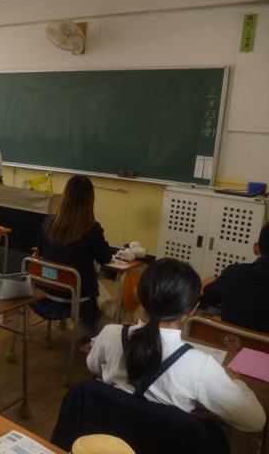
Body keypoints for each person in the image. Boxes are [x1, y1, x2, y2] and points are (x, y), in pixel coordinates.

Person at [87, 258, 265, 439]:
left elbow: (93, 366)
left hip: (108, 440)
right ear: (192, 310)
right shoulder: (201, 367)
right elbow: (255, 421)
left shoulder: (110, 334)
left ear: (139, 296)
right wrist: (236, 381)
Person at [31, 175, 112, 331]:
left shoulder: (48, 222)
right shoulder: (92, 229)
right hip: (76, 298)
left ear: (65, 196)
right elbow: (105, 258)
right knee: (103, 297)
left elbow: (39, 250)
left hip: (46, 290)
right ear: (89, 201)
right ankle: (91, 337)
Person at [201, 222, 269, 334]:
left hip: (230, 343)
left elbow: (205, 293)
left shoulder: (233, 273)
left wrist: (210, 282)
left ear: (256, 248)